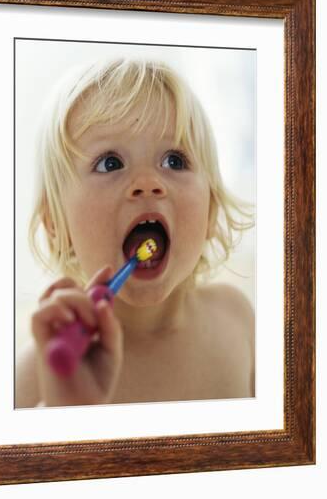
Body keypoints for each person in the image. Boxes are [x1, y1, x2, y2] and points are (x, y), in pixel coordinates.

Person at [15, 57, 255, 408]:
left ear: (211, 213)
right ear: (57, 224)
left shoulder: (237, 319)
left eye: (175, 161)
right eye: (110, 162)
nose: (147, 184)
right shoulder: (43, 373)